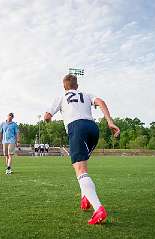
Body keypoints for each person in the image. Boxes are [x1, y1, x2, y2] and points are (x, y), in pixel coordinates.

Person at [44, 74, 120, 225]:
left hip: (76, 128)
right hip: (93, 129)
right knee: (81, 165)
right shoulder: (86, 94)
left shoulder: (61, 97)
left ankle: (98, 209)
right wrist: (110, 121)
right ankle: (85, 197)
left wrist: (48, 119)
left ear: (64, 86)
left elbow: (47, 116)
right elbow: (101, 102)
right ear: (76, 86)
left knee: (80, 170)